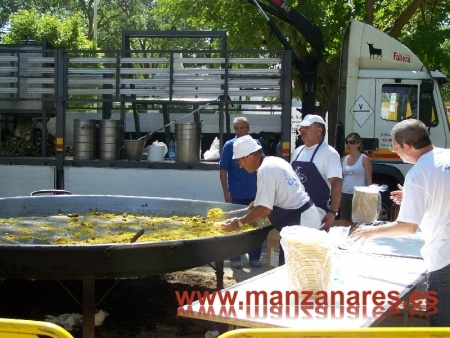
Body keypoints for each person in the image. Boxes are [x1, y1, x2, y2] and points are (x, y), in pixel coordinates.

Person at [351, 119, 450, 326]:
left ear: (407, 146)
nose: (395, 152)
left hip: (444, 261)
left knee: (442, 324)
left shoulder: (418, 172)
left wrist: (370, 232)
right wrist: (413, 197)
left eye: (395, 147)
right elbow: (441, 192)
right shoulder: (445, 157)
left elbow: (407, 227)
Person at [220, 135, 322, 265]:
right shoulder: (275, 161)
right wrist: (258, 202)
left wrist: (239, 222)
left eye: (239, 161)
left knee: (298, 270)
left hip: (302, 223)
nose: (240, 166)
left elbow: (264, 210)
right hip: (305, 218)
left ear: (248, 156)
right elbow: (283, 193)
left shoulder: (265, 170)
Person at [219, 117, 262, 268]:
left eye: (242, 128)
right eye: (236, 128)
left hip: (254, 194)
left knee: (255, 226)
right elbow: (223, 170)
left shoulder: (255, 145)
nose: (240, 131)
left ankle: (254, 257)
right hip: (236, 193)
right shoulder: (229, 146)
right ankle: (235, 258)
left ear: (248, 129)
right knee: (235, 225)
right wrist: (226, 191)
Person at [290, 114, 342, 231]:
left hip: (318, 213)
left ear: (319, 130)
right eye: (301, 127)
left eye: (307, 127)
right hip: (295, 212)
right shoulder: (298, 151)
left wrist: (333, 212)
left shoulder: (330, 154)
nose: (302, 129)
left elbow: (336, 184)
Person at [340, 132, 373, 229]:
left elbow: (369, 179)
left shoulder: (365, 159)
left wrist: (369, 197)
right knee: (345, 221)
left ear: (358, 144)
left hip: (359, 195)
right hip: (345, 194)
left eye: (352, 142)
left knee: (357, 222)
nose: (348, 145)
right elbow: (341, 179)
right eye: (347, 142)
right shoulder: (343, 160)